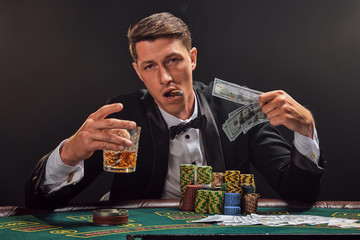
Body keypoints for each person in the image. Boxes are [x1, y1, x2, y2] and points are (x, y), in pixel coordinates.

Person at [25, 12, 324, 209]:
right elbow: (40, 202)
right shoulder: (122, 114)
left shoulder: (239, 111)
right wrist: (69, 153)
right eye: (150, 66)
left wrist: (306, 132)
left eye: (173, 61)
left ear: (192, 58)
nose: (164, 77)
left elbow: (300, 195)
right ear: (138, 72)